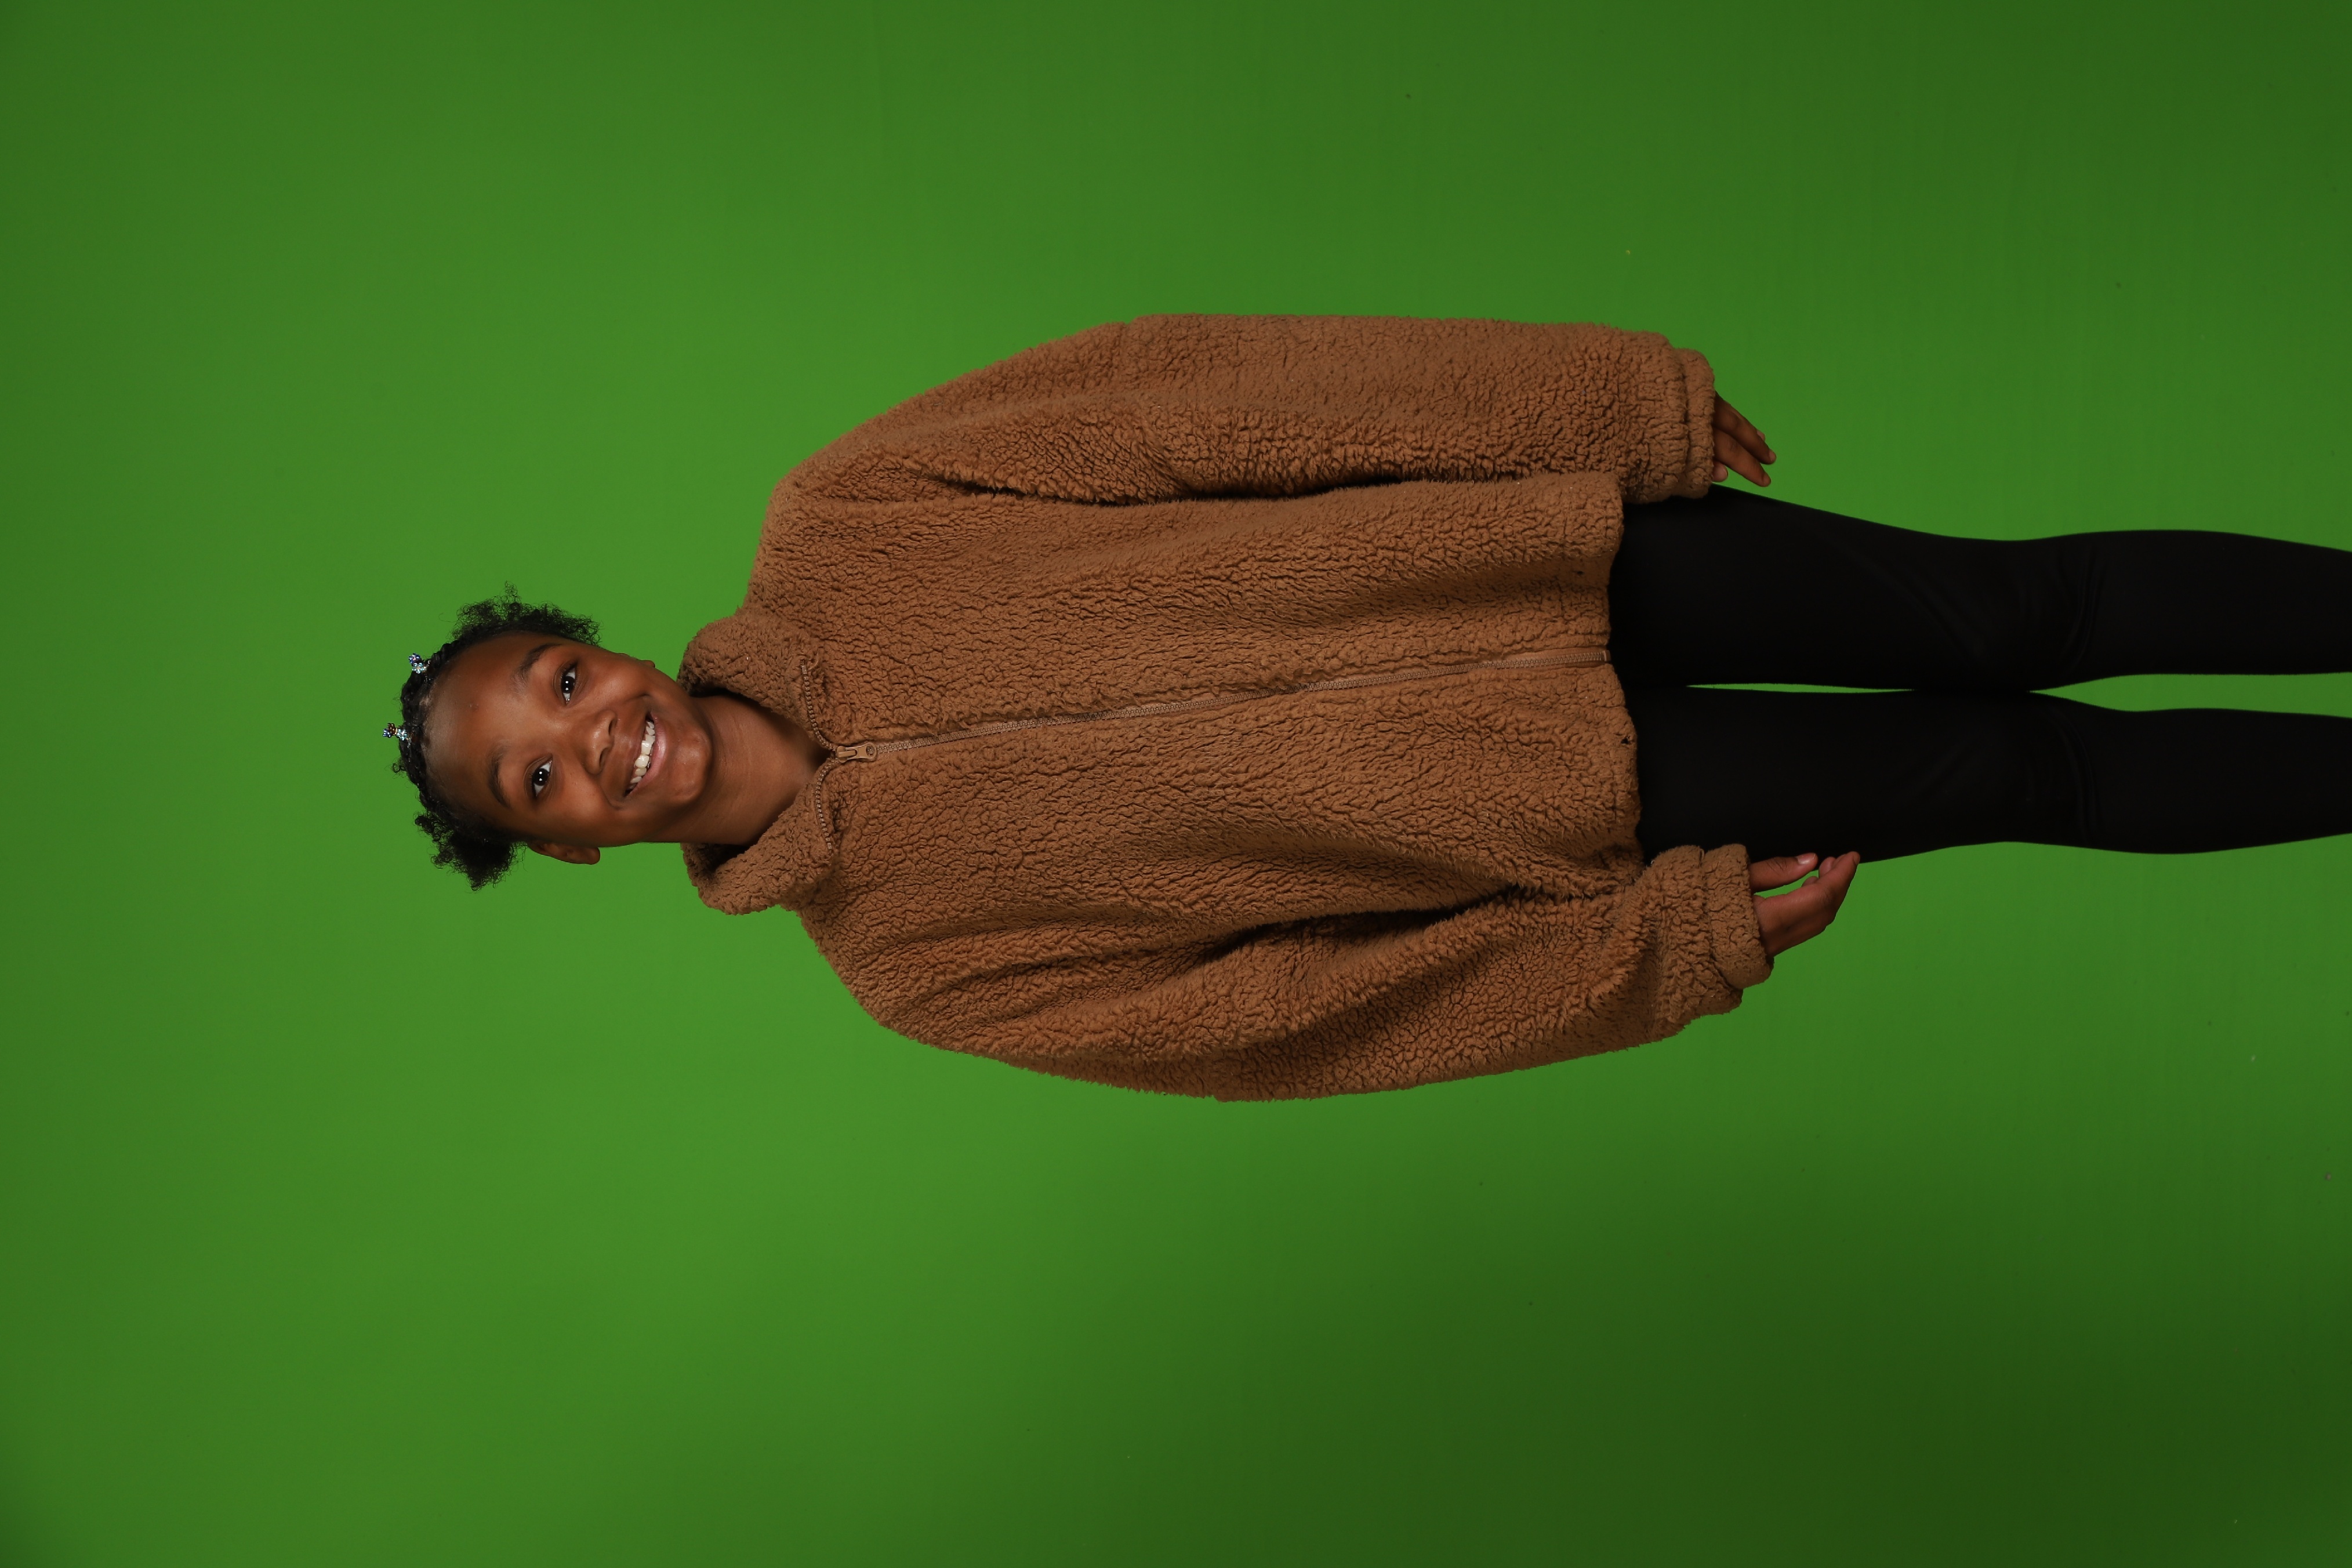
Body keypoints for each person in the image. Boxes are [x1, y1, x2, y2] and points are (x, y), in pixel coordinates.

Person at [382, 315, 2352, 1100]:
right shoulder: (916, 967)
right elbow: (1296, 1020)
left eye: (558, 684)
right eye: (537, 781)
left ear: (594, 645)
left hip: (1540, 553)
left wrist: (1590, 404)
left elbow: (1212, 402)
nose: (591, 736)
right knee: (2015, 766)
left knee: (2015, 605)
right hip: (1572, 794)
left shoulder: (847, 515)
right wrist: (1652, 953)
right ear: (565, 845)